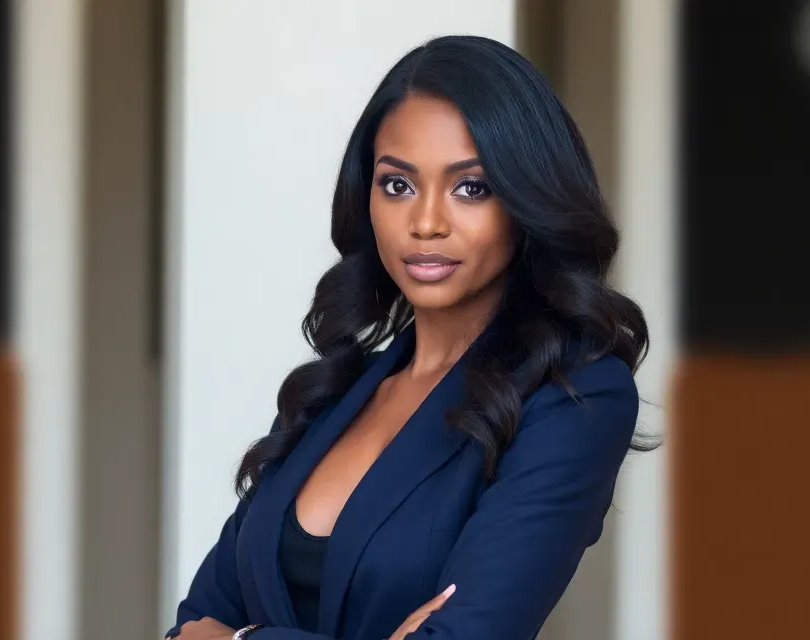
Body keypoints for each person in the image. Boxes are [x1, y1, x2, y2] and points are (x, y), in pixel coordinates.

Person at [166, 35, 651, 640]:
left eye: (470, 187)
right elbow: (190, 624)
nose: (425, 223)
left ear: (527, 199)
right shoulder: (333, 393)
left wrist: (239, 639)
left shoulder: (574, 396)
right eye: (397, 185)